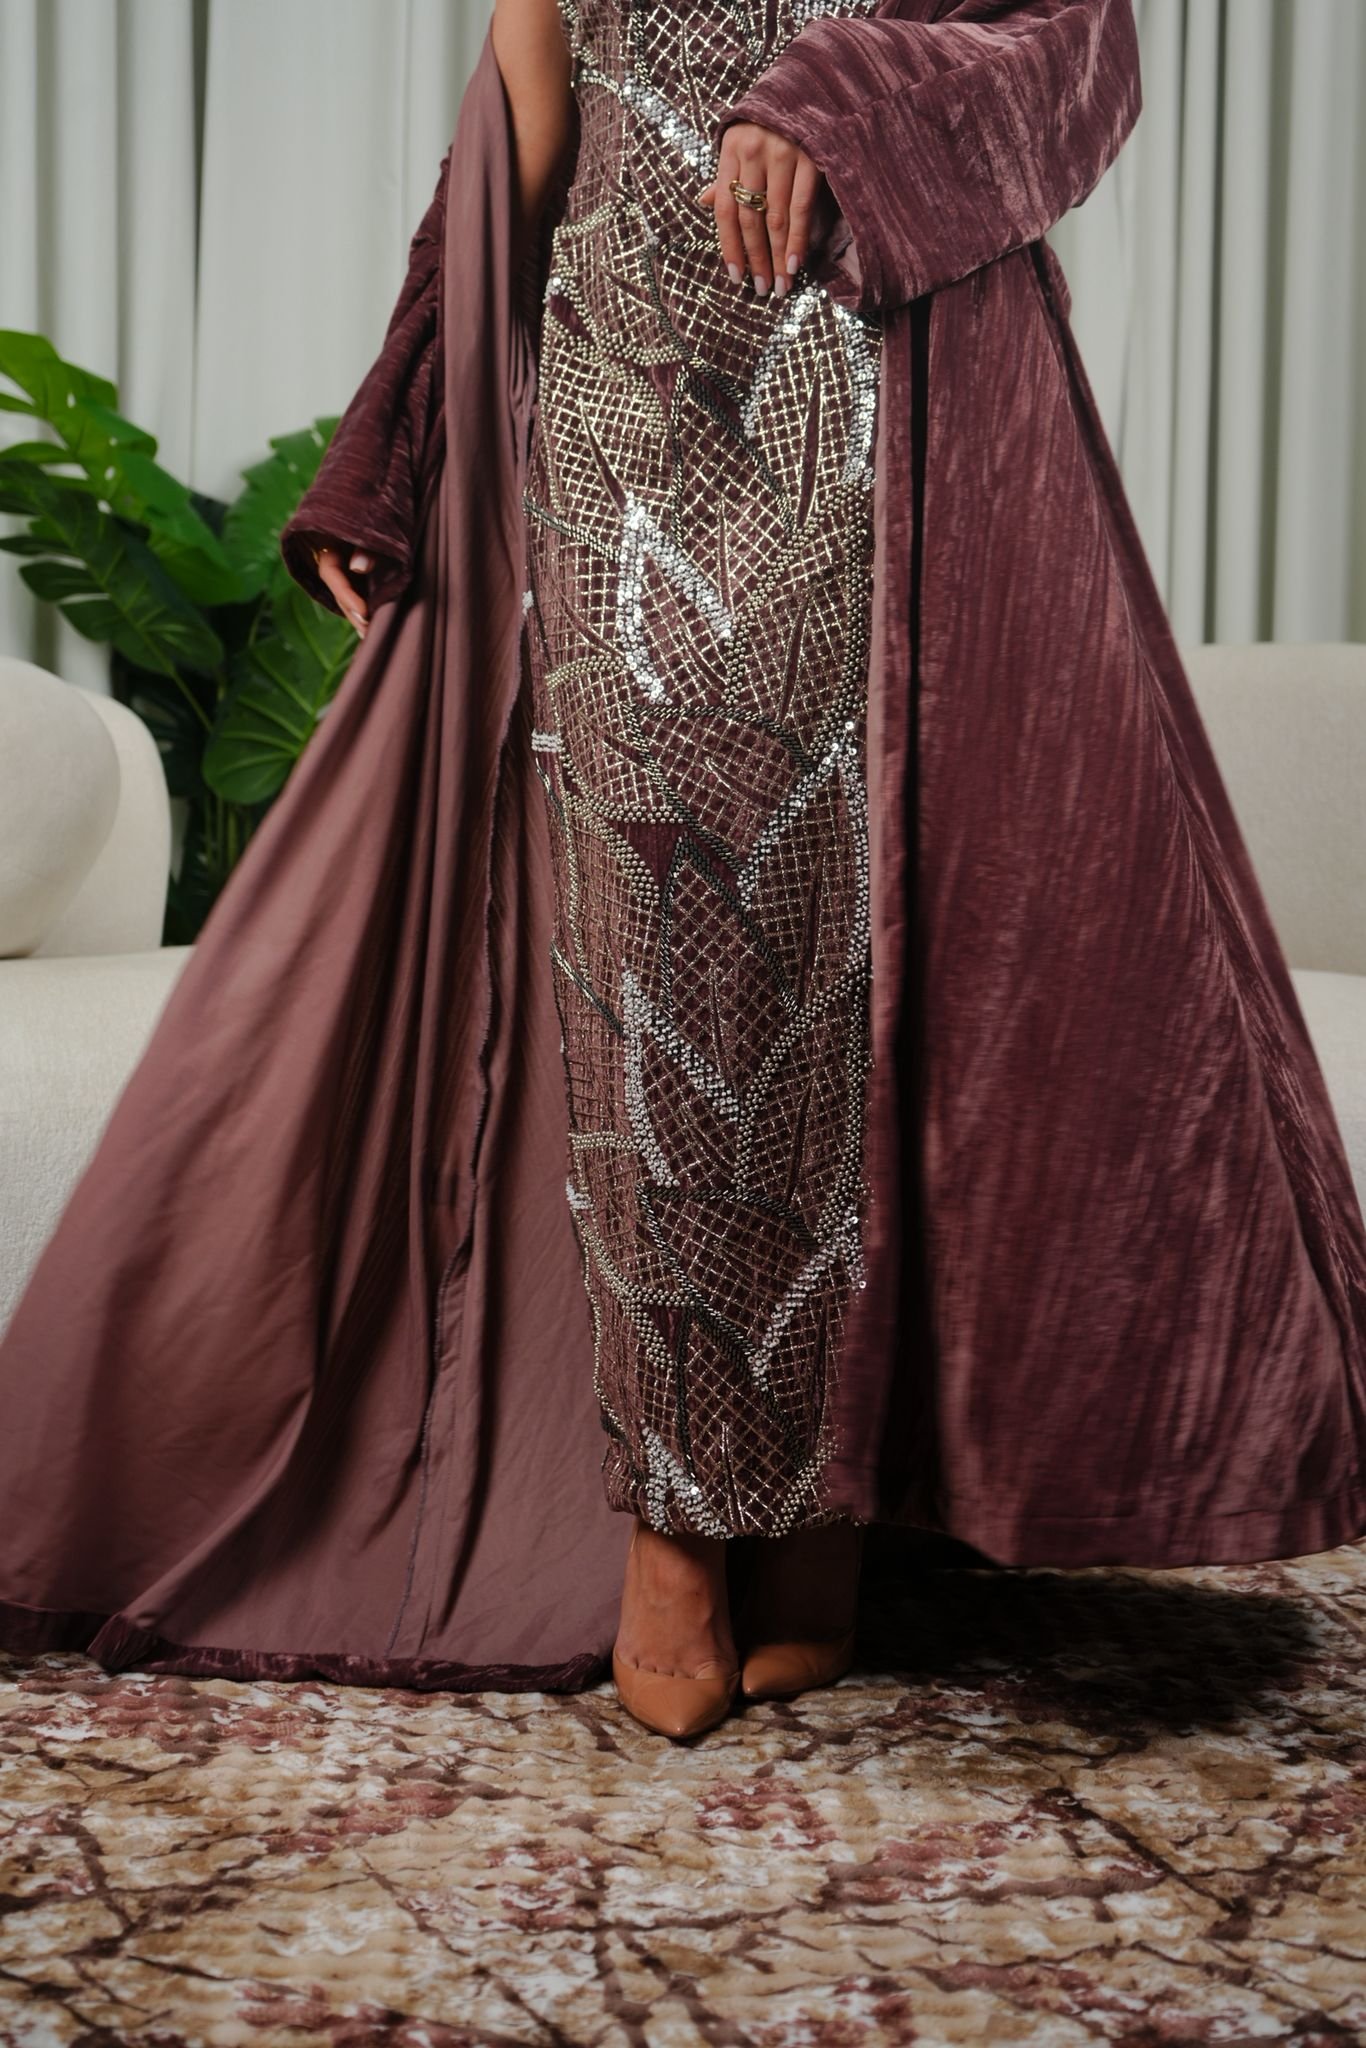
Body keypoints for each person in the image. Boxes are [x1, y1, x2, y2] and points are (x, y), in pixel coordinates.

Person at [3, 0, 1364, 1743]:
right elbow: (523, 131)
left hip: (867, 394)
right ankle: (674, 1521)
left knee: (832, 942)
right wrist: (401, 427)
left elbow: (1081, 46)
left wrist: (840, 94)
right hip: (613, 407)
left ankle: (817, 1507)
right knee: (650, 951)